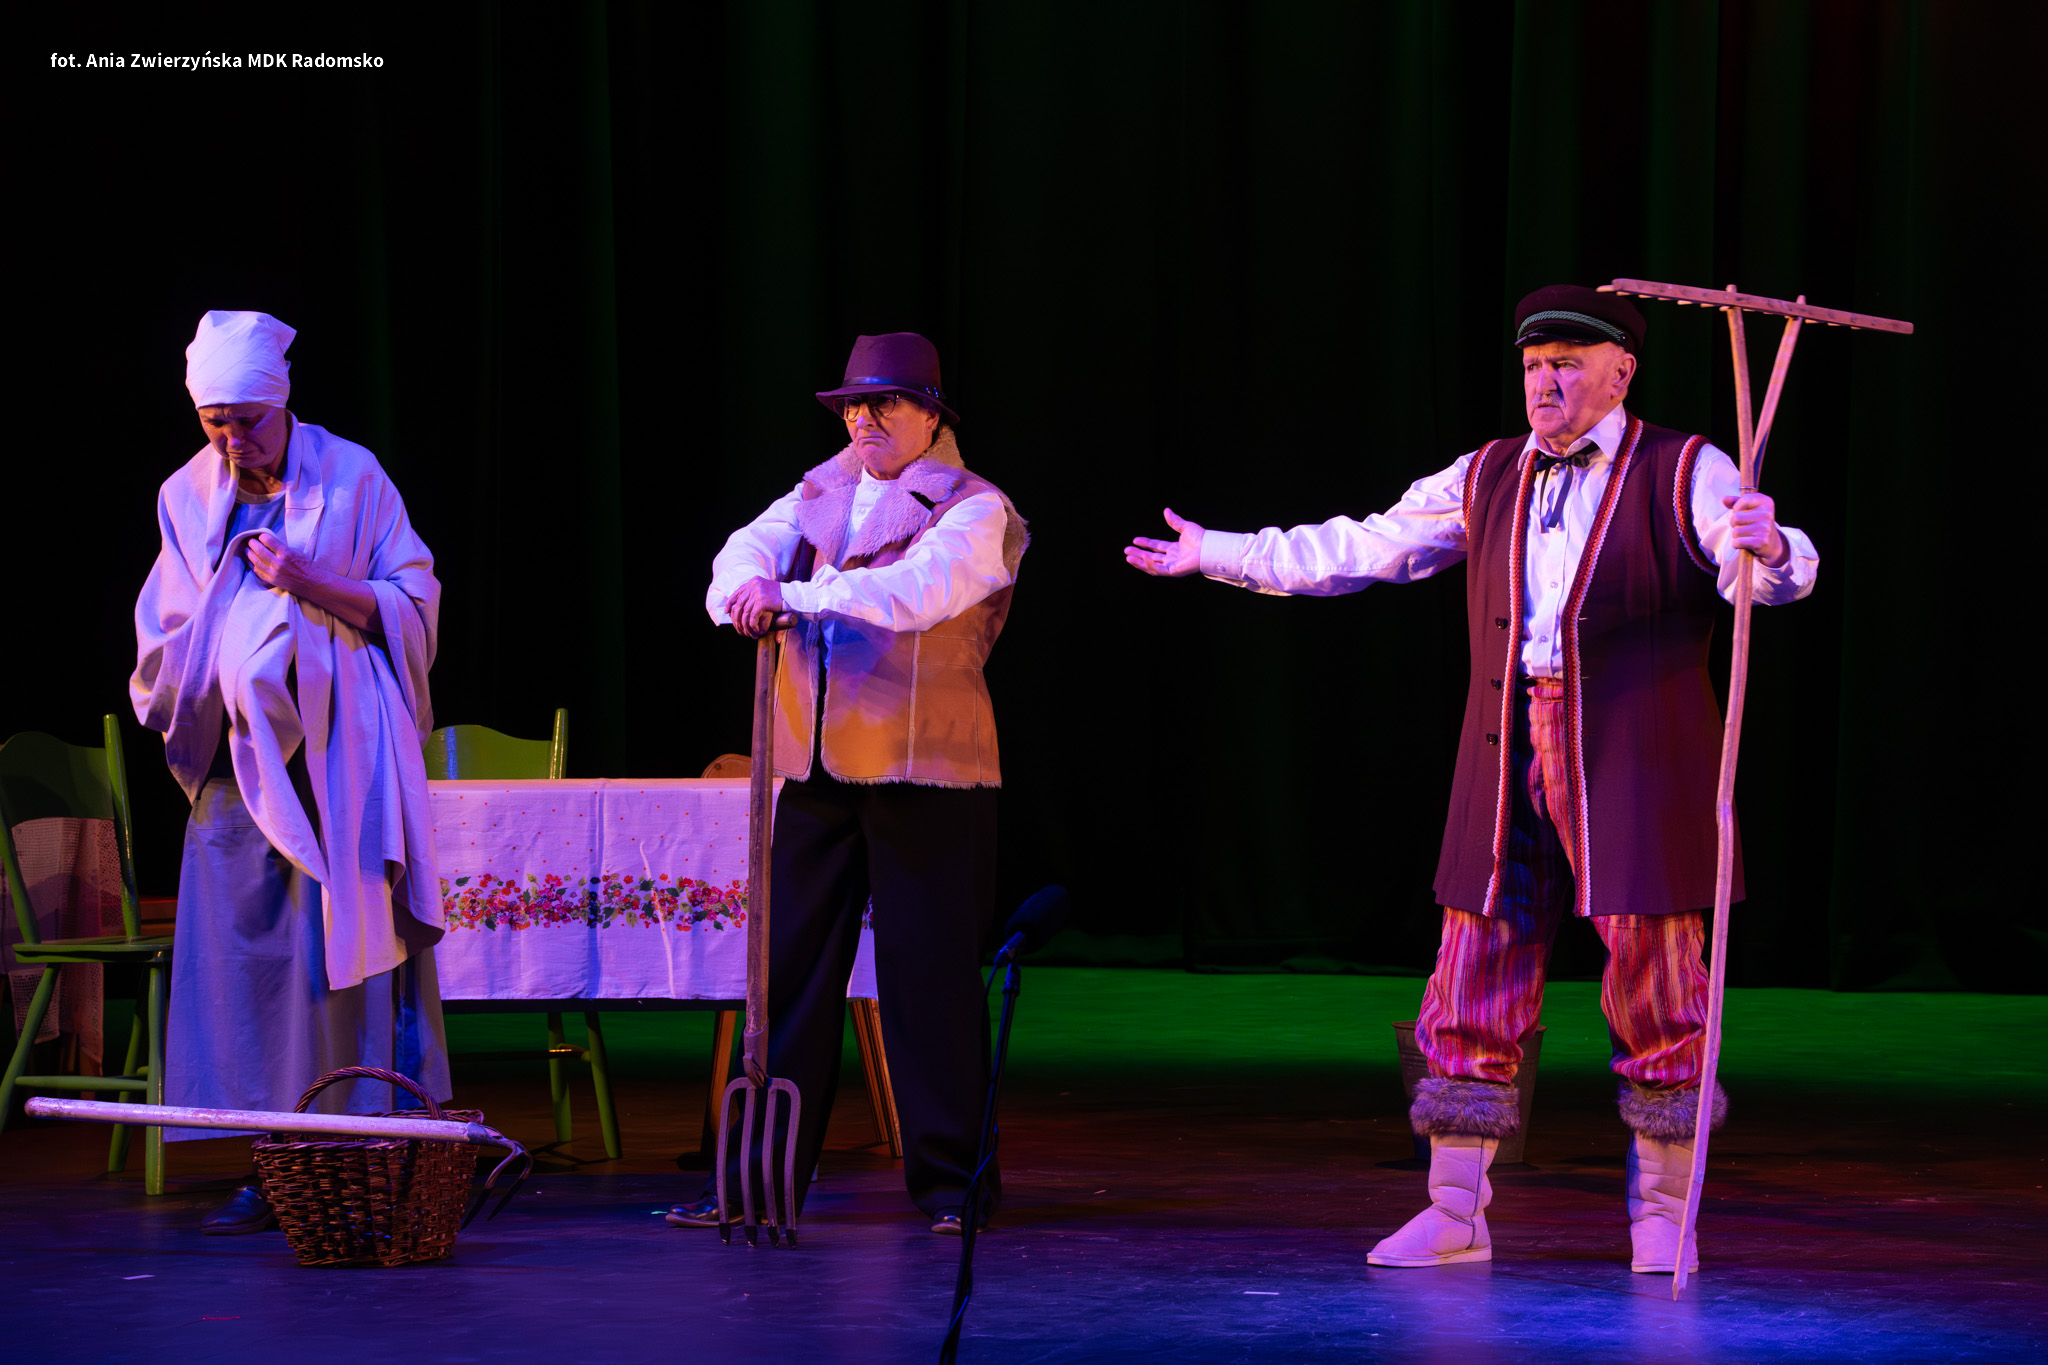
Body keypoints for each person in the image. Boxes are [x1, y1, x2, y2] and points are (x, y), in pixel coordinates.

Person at [1125, 285, 1817, 1274]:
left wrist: (1771, 547)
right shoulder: (1487, 472)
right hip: (1504, 747)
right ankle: (1455, 1211)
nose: (1545, 381)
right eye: (1534, 364)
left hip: (1634, 757)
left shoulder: (1685, 468)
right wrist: (1219, 554)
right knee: (1473, 963)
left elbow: (1758, 574)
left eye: (1567, 363)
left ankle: (1664, 1215)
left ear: (1620, 373)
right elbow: (1366, 543)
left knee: (1656, 975)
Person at [670, 332, 1027, 1235]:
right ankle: (755, 1181)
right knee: (785, 978)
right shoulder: (820, 491)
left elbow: (918, 593)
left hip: (929, 773)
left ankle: (953, 1186)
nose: (864, 418)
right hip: (817, 771)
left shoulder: (975, 508)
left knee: (928, 980)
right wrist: (747, 589)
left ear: (931, 415)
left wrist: (794, 597)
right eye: (853, 405)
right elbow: (737, 556)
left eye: (886, 403)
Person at [131, 310, 448, 1233]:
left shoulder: (352, 475)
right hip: (235, 769)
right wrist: (221, 654)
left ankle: (358, 1150)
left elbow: (413, 599)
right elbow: (166, 630)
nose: (234, 442)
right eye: (215, 423)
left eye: (249, 422)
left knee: (336, 963)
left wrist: (308, 584)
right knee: (250, 972)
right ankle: (273, 1161)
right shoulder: (184, 494)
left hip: (336, 762)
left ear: (283, 402)